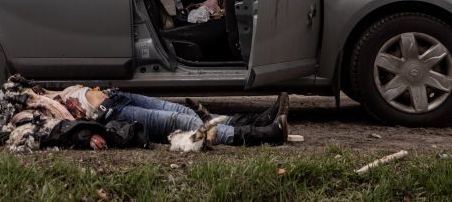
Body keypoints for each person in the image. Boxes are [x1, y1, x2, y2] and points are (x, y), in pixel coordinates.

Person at [54, 86, 289, 147]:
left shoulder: (30, 92)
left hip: (116, 96)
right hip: (111, 114)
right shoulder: (30, 112)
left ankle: (259, 119)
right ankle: (266, 134)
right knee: (184, 123)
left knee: (186, 111)